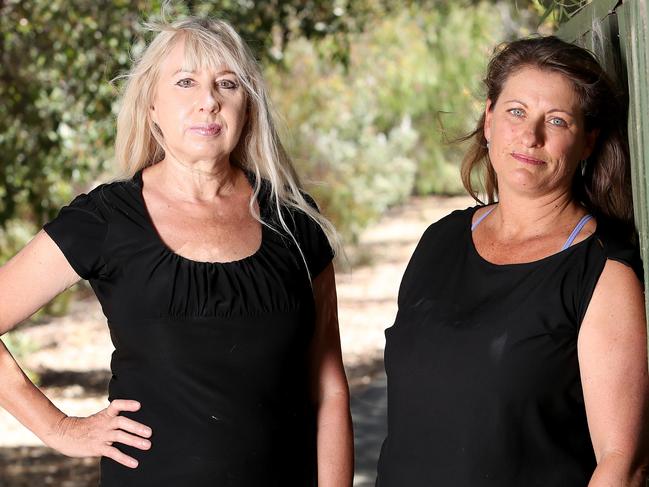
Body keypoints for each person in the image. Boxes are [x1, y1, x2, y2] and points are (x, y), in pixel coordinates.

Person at [0, 17, 353, 487]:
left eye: (226, 84)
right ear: (151, 106)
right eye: (185, 82)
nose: (208, 100)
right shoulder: (106, 220)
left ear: (247, 106)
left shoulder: (295, 222)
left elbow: (328, 388)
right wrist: (59, 428)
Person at [376, 36, 648, 486]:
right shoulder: (440, 240)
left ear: (587, 142)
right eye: (516, 111)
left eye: (556, 121)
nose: (530, 135)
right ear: (488, 120)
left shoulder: (600, 273)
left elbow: (623, 464)